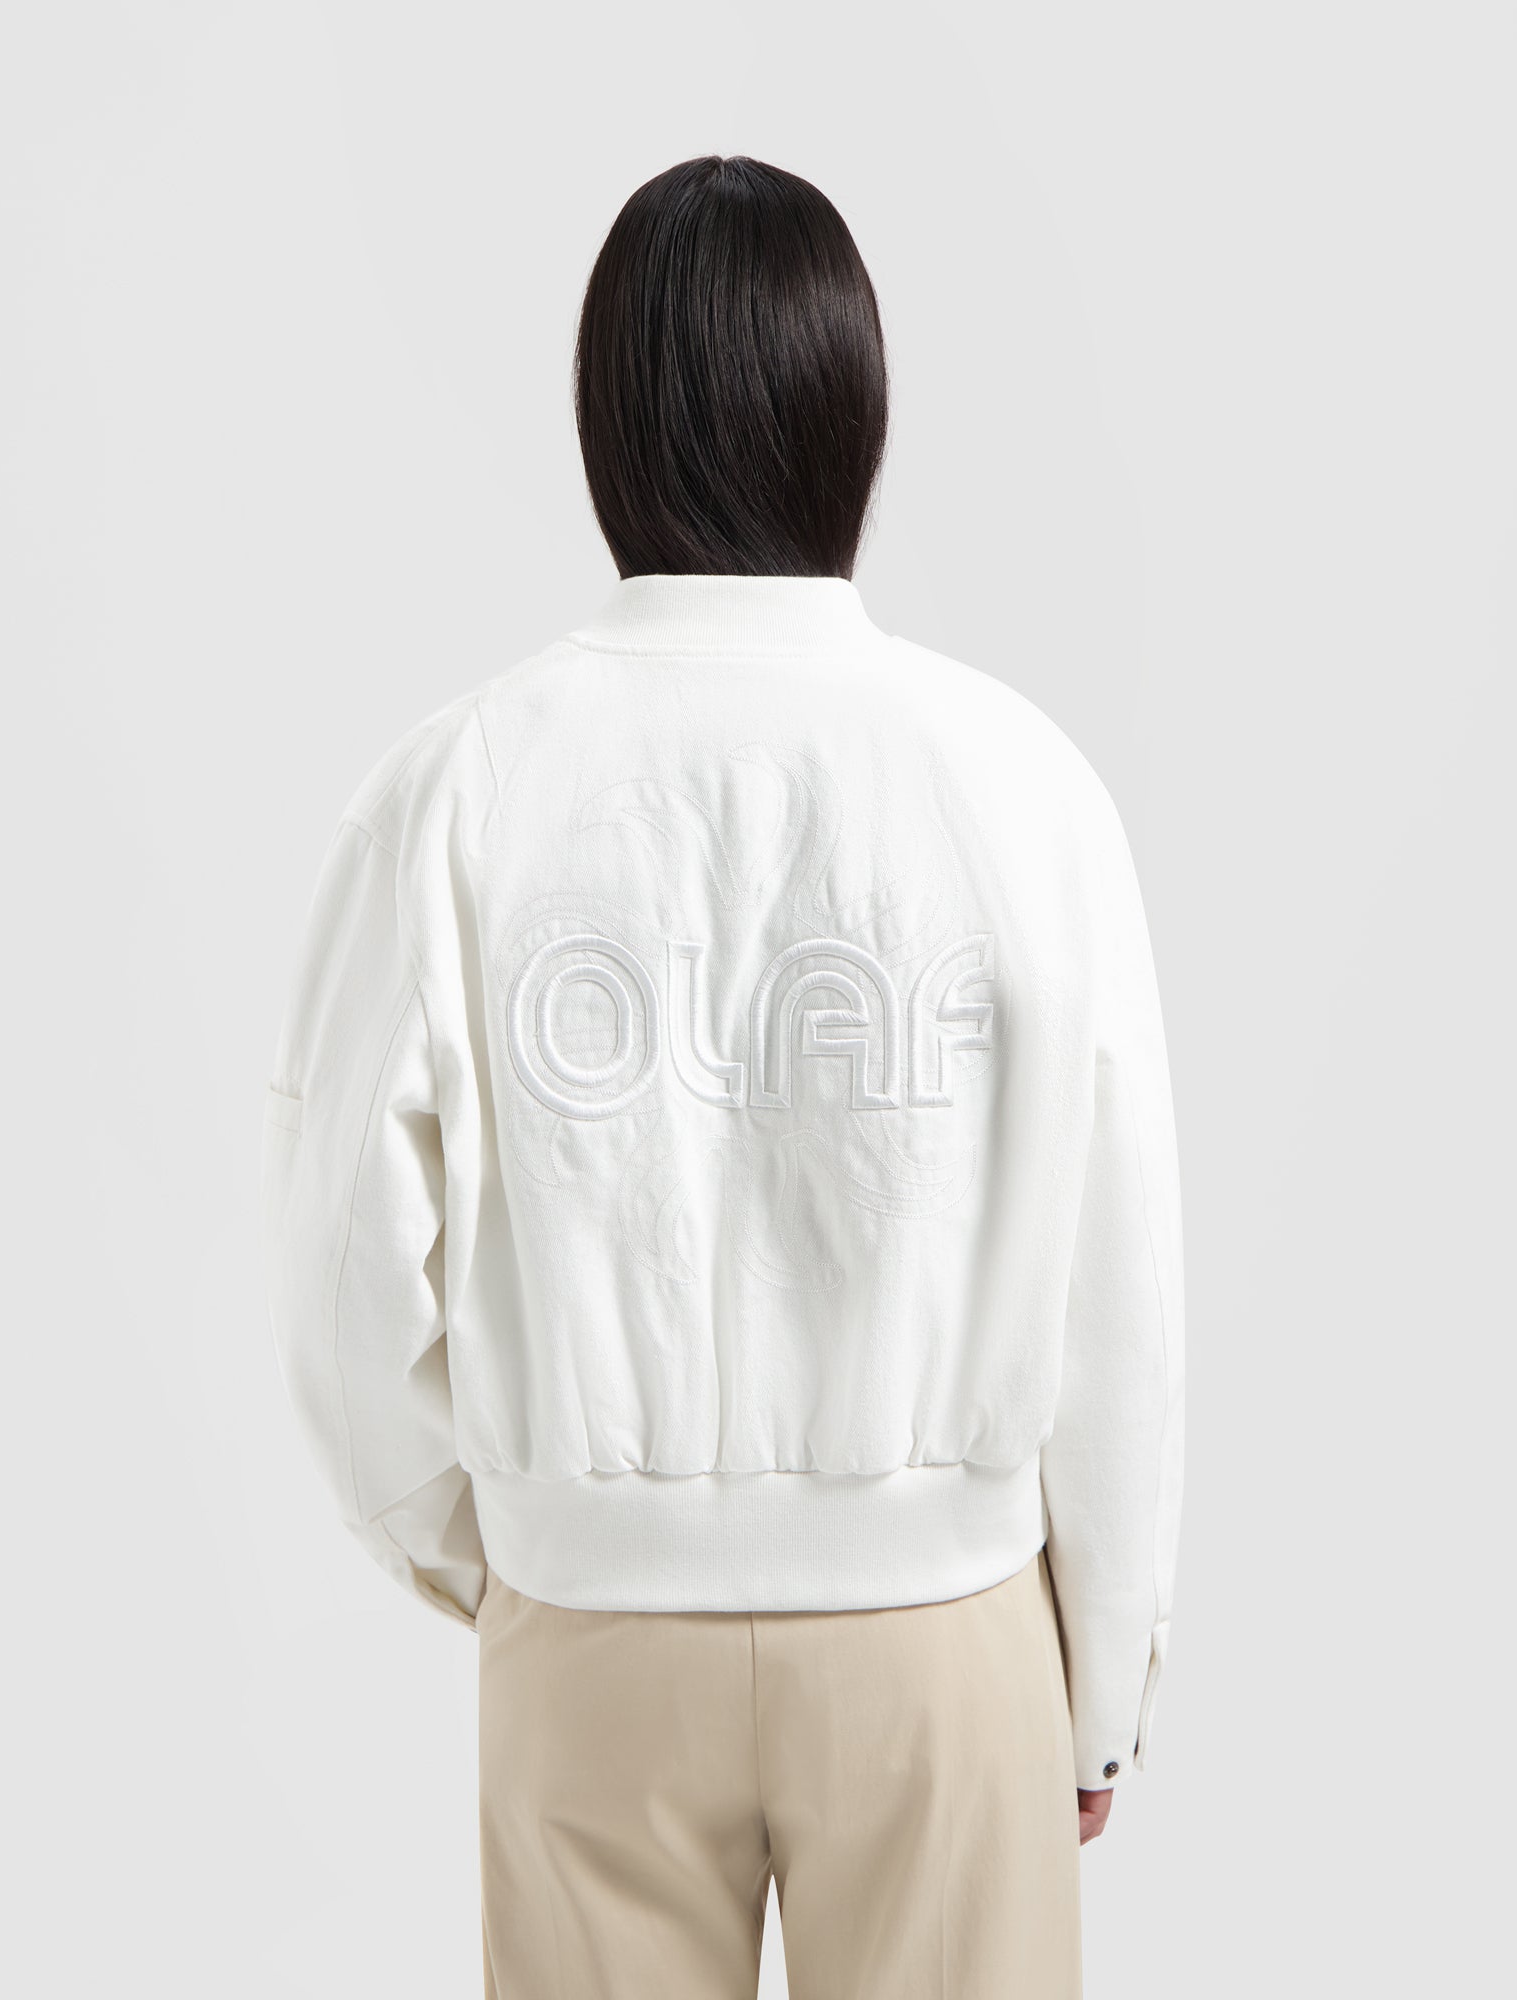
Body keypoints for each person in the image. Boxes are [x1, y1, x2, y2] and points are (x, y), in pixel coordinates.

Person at [261, 154, 1184, 2000]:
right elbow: (1119, 1278)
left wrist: (509, 1547)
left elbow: (341, 1258)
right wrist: (1102, 1671)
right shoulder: (1019, 783)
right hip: (942, 1643)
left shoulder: (458, 786)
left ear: (607, 421)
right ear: (857, 411)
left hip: (589, 1639)